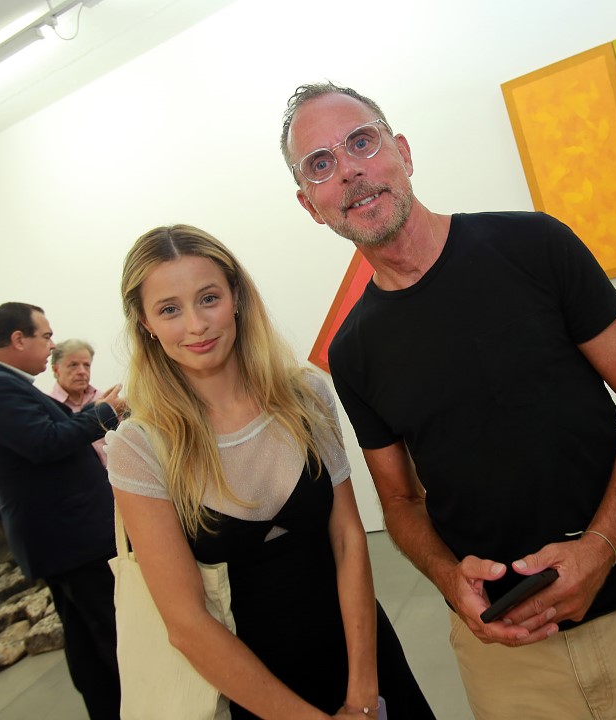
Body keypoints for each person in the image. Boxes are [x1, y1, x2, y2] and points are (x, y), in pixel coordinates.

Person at [281, 82, 616, 719]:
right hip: (507, 660)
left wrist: (600, 549)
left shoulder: (533, 246)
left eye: (361, 141)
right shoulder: (354, 351)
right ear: (311, 206)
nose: (350, 171)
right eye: (321, 164)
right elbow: (399, 500)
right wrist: (450, 579)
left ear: (402, 150)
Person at [105, 225, 435, 720]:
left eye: (208, 298)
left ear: (236, 297)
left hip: (362, 661)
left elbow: (347, 539)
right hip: (252, 694)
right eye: (169, 309)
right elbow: (187, 622)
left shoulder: (306, 397)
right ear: (145, 323)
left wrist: (364, 695)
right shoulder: (140, 447)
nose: (196, 325)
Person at [0, 302, 126, 719]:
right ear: (18, 338)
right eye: (47, 336)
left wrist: (94, 412)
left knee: (89, 639)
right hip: (69, 539)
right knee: (109, 636)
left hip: (65, 539)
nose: (51, 344)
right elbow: (45, 442)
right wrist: (103, 414)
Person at [48, 339, 108, 466]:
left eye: (86, 365)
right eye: (73, 365)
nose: (82, 371)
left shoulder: (105, 400)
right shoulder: (48, 407)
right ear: (56, 370)